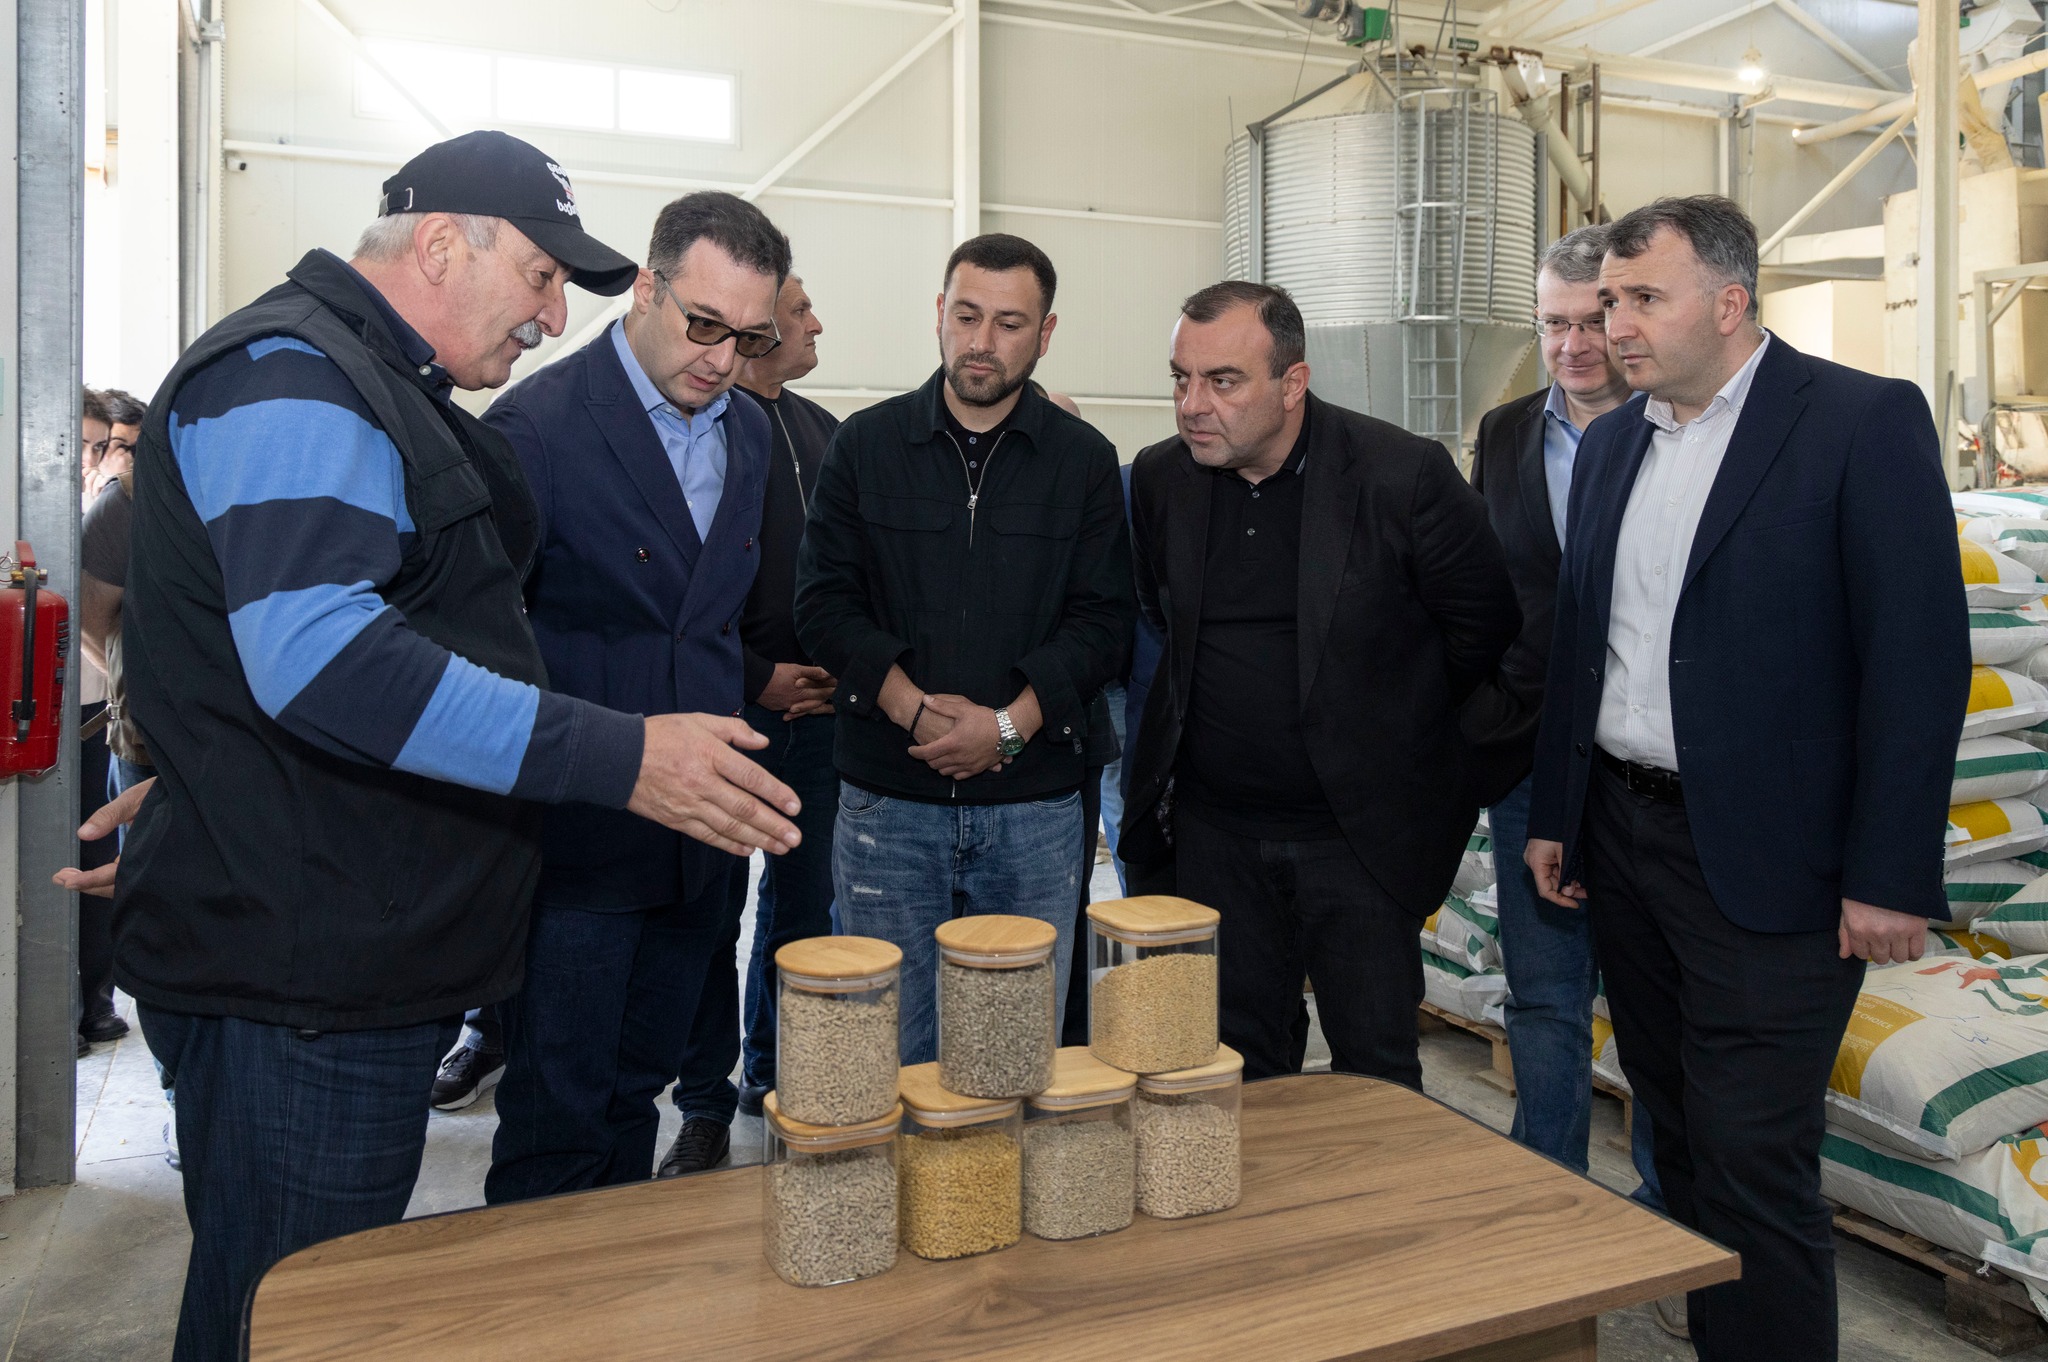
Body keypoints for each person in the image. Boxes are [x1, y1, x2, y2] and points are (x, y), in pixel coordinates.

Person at [112, 130, 803, 1362]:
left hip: (342, 934)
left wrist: (203, 782)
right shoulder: (292, 376)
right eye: (541, 277)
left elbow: (298, 649)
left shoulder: (378, 388)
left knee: (296, 1307)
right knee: (294, 1313)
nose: (552, 317)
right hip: (303, 973)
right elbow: (325, 659)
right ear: (440, 244)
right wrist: (622, 757)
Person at [1524, 196, 1968, 1362]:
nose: (1613, 327)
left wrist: (1887, 873)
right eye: (1606, 301)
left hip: (1775, 865)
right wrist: (1556, 814)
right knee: (1675, 1133)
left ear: (1728, 303)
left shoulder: (1856, 422)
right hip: (1624, 842)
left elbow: (1915, 660)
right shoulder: (1613, 444)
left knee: (1750, 1159)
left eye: (1641, 299)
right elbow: (1585, 646)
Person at [1121, 281, 1520, 1087]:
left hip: (1357, 841)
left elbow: (1484, 630)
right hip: (1215, 839)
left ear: (1292, 383)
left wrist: (1389, 725)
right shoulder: (1164, 479)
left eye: (1223, 381)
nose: (1193, 405)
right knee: (1239, 1064)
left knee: (1375, 1070)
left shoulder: (1400, 475)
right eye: (1180, 379)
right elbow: (1162, 618)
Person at [481, 191, 791, 1198]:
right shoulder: (536, 429)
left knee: (636, 1091)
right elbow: (479, 649)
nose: (722, 359)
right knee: (556, 1113)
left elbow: (716, 625)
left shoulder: (749, 435)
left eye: (748, 338)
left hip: (697, 848)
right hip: (577, 843)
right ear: (646, 290)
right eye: (704, 325)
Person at [795, 232, 1134, 1064]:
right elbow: (823, 606)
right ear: (940, 314)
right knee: (888, 1052)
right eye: (968, 316)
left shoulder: (1085, 462)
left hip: (1034, 810)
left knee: (1013, 1054)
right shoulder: (864, 446)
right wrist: (913, 711)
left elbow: (1103, 623)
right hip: (887, 807)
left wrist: (1008, 727)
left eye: (1009, 324)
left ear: (1045, 334)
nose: (982, 341)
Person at [1462, 225, 1662, 1209]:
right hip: (1531, 756)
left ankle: (1667, 1209)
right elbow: (1476, 589)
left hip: (1639, 757)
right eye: (1552, 323)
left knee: (1654, 999)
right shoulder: (1503, 433)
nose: (1573, 344)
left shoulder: (1673, 427)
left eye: (1592, 320)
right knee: (1543, 992)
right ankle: (1550, 1198)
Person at [664, 271, 840, 1156]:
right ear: (761, 327)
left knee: (808, 905)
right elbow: (674, 596)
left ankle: (781, 1072)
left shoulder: (825, 432)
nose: (817, 325)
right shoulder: (709, 428)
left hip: (823, 715)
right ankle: (703, 1100)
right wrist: (757, 677)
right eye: (801, 311)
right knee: (710, 910)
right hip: (729, 716)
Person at [74, 387, 123, 1051]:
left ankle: (94, 1000)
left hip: (94, 711)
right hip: (39, 713)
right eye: (82, 443)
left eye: (97, 444)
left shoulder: (104, 511)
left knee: (97, 851)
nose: (88, 457)